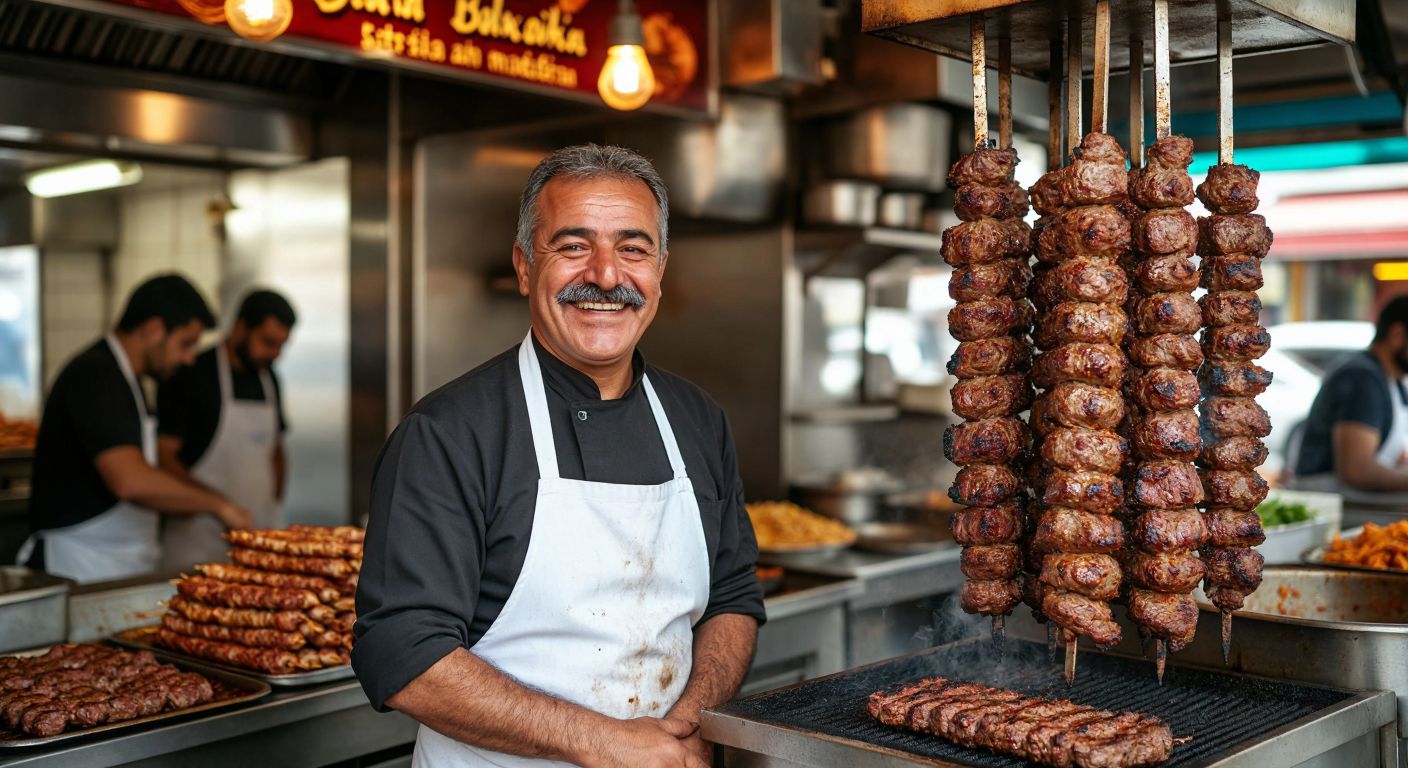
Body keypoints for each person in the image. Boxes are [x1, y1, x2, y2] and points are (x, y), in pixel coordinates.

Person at [353, 144, 765, 768]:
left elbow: (733, 597)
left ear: (661, 270)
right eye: (573, 246)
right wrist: (606, 742)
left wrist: (681, 726)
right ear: (524, 267)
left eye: (633, 248)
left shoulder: (698, 420)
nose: (605, 275)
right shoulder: (449, 431)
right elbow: (402, 651)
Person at [22, 274, 252, 583]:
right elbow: (130, 480)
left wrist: (211, 501)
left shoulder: (130, 382)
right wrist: (220, 506)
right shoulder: (96, 375)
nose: (188, 358)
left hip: (119, 564)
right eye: (185, 344)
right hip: (77, 566)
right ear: (154, 330)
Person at [157, 289, 295, 570]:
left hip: (257, 537)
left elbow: (276, 448)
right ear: (241, 328)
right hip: (197, 540)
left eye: (281, 345)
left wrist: (274, 508)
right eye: (268, 342)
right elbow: (164, 456)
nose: (276, 354)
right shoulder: (192, 373)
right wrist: (216, 504)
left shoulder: (269, 379)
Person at [1293, 297, 1408, 492]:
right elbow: (1357, 470)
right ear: (1397, 334)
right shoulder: (1362, 377)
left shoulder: (1395, 381)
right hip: (1329, 497)